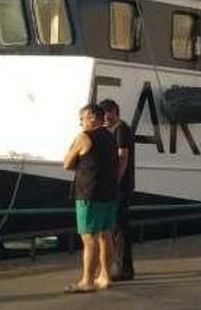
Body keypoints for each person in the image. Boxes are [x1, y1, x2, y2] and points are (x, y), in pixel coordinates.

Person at [63, 103, 118, 293]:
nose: (81, 123)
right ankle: (105, 276)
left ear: (93, 117)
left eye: (82, 119)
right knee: (106, 234)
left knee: (89, 237)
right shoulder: (111, 137)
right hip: (108, 192)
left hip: (89, 192)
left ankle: (87, 280)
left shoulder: (84, 137)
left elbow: (67, 164)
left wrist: (74, 146)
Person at [99, 98, 136, 282]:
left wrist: (115, 181)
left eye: (106, 114)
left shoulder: (121, 129)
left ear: (114, 111)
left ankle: (123, 268)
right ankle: (118, 265)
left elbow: (123, 157)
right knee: (115, 227)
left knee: (119, 227)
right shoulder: (111, 130)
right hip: (118, 185)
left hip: (120, 187)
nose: (104, 118)